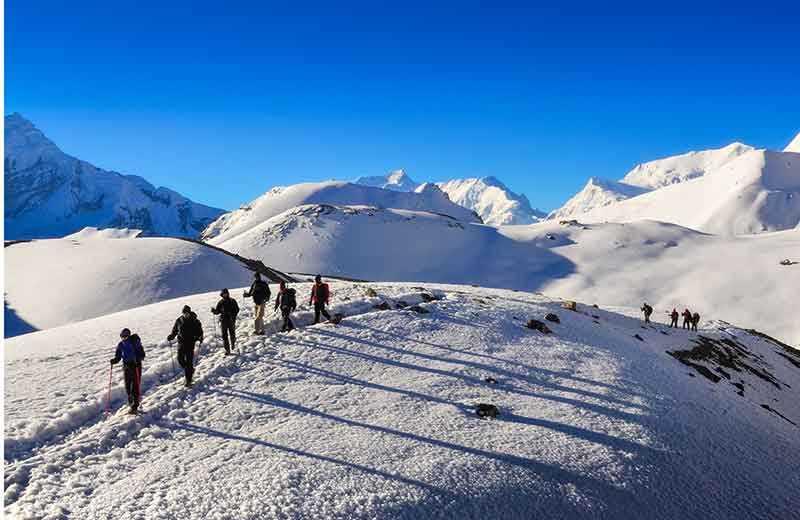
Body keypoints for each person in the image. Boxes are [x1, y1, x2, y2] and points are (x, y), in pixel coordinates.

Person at [110, 328, 146, 414]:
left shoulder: (135, 342)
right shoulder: (120, 345)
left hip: (135, 366)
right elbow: (118, 356)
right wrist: (114, 360)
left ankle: (135, 406)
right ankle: (131, 402)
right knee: (127, 387)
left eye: (125, 337)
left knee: (135, 386)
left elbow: (142, 353)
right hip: (126, 366)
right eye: (122, 337)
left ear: (129, 336)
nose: (123, 338)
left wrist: (139, 358)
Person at [167, 305, 203, 387]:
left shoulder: (195, 320)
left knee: (189, 361)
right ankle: (190, 370)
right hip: (181, 343)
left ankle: (188, 381)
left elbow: (200, 331)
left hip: (190, 343)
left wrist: (199, 337)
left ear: (189, 313)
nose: (186, 314)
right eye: (184, 313)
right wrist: (171, 336)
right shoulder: (179, 320)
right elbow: (175, 330)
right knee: (180, 359)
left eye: (187, 313)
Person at [211, 288, 239, 354]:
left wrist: (232, 314)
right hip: (223, 321)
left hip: (231, 320)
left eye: (226, 293)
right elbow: (218, 311)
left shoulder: (232, 301)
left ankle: (233, 343)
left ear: (228, 293)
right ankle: (227, 350)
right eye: (223, 294)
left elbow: (237, 309)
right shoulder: (220, 302)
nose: (225, 295)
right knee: (224, 336)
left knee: (232, 333)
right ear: (222, 294)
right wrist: (214, 311)